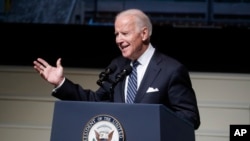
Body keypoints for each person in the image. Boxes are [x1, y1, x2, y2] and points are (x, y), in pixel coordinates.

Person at [33, 8, 200, 130]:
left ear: (144, 34)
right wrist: (61, 83)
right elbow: (96, 102)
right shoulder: (118, 66)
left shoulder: (171, 70)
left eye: (125, 33)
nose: (118, 40)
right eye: (116, 34)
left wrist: (152, 121)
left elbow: (190, 118)